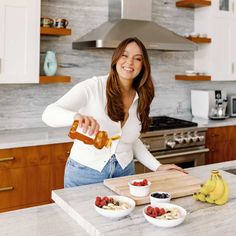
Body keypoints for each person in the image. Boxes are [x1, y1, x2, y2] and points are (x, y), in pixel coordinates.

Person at [42, 37, 186, 188]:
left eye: (137, 59)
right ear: (116, 58)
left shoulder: (141, 95)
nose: (129, 62)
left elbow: (130, 140)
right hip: (85, 173)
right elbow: (48, 114)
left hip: (125, 174)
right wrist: (75, 117)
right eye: (124, 55)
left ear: (143, 65)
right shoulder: (93, 87)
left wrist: (157, 166)